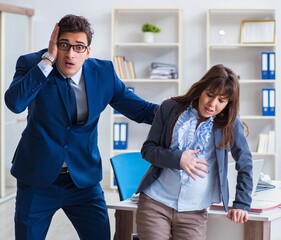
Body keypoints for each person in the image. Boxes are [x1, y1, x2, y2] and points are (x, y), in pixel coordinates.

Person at [4, 14, 157, 240]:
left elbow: (141, 110)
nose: (70, 54)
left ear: (88, 51)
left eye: (78, 47)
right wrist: (47, 60)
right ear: (55, 44)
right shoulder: (32, 64)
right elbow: (15, 103)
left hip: (83, 182)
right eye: (64, 45)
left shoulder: (103, 73)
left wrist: (185, 111)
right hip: (37, 179)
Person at [135, 64, 253, 240]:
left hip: (195, 212)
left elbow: (245, 163)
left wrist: (242, 203)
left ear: (229, 102)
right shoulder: (169, 108)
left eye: (221, 100)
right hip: (155, 203)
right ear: (201, 89)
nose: (212, 105)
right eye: (210, 95)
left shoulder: (230, 123)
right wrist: (178, 158)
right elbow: (148, 150)